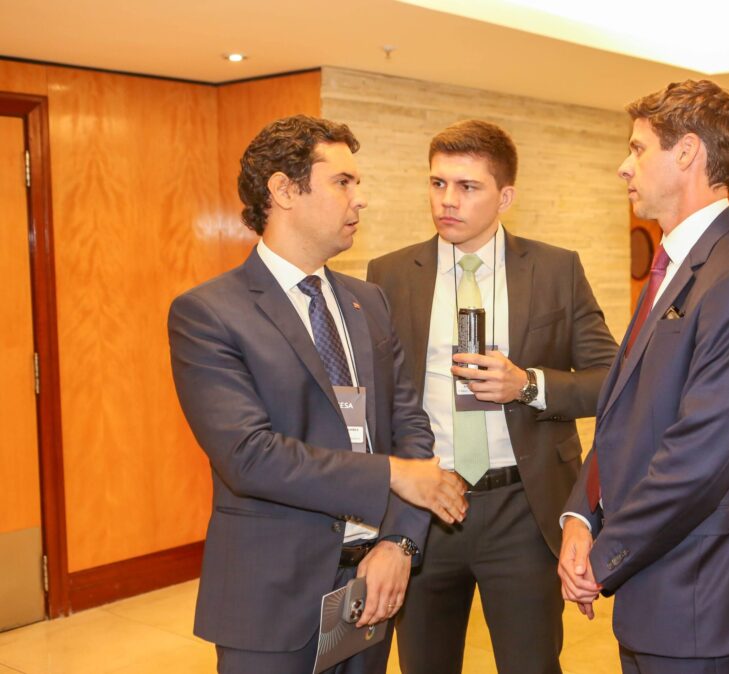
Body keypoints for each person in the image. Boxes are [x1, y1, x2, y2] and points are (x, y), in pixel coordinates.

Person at [168, 115, 468, 674]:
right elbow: (249, 456)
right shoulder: (209, 314)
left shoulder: (367, 301)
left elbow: (409, 425)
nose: (360, 199)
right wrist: (390, 474)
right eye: (343, 182)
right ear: (284, 191)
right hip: (271, 595)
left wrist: (399, 544)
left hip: (371, 583)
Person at [559, 80, 729, 674]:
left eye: (638, 149)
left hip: (700, 597)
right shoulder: (675, 265)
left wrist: (605, 554)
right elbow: (626, 412)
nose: (624, 167)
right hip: (655, 588)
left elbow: (701, 456)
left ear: (688, 152)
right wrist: (581, 516)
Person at [367, 119, 618, 674]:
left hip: (522, 508)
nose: (447, 201)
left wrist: (527, 385)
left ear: (505, 197)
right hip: (426, 507)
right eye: (438, 183)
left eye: (467, 187)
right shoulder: (389, 274)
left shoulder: (556, 270)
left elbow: (613, 379)